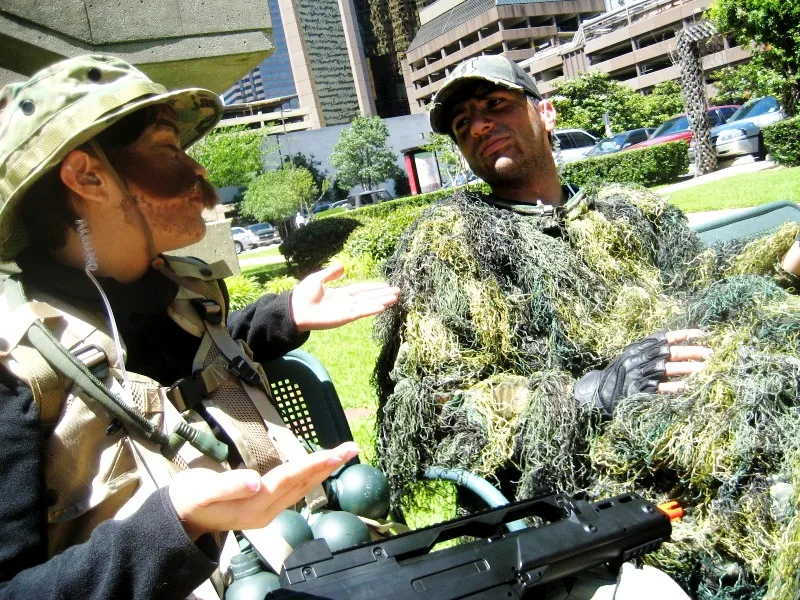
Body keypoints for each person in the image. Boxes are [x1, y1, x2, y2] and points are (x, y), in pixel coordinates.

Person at [374, 55, 800, 597]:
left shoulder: (627, 212)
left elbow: (704, 290)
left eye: (495, 105)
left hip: (711, 428)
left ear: (546, 113)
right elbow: (438, 407)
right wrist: (593, 390)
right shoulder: (448, 245)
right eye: (462, 124)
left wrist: (787, 265)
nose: (478, 125)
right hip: (585, 500)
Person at [0, 55, 399, 598]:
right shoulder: (15, 369)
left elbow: (175, 362)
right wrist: (174, 524)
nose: (199, 171)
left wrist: (285, 315)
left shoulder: (184, 289)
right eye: (167, 149)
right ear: (88, 177)